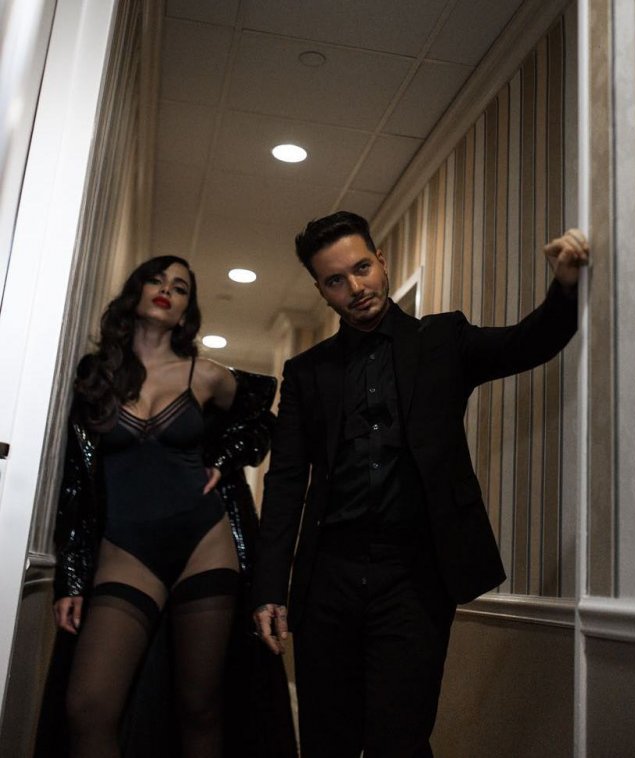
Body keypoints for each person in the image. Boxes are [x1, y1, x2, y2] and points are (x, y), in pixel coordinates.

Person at [251, 211, 589, 758]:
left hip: (414, 577)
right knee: (328, 739)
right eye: (336, 280)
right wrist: (270, 585)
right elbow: (286, 481)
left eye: (362, 268)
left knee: (400, 738)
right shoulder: (307, 372)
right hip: (327, 579)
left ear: (381, 261)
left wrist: (566, 286)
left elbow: (527, 343)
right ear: (321, 290)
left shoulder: (442, 339)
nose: (355, 287)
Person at [50, 255, 277, 757]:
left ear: (186, 311)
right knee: (88, 707)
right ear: (135, 291)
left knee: (200, 708)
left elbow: (262, 417)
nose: (166, 290)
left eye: (180, 288)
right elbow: (75, 480)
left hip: (204, 543)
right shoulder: (97, 375)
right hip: (126, 550)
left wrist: (223, 458)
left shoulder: (205, 374)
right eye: (156, 280)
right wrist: (71, 577)